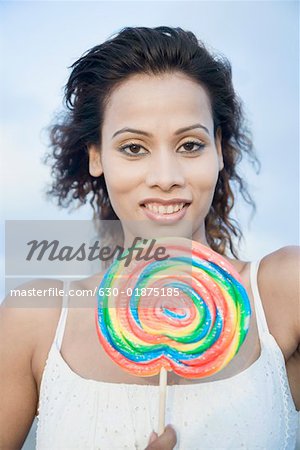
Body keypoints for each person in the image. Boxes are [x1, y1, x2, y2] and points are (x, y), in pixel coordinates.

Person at [0, 26, 299, 450]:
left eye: (190, 145)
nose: (165, 178)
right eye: (134, 148)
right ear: (96, 156)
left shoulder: (284, 294)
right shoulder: (35, 321)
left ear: (217, 148)